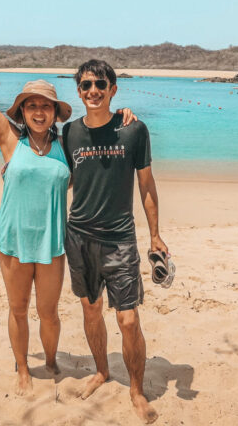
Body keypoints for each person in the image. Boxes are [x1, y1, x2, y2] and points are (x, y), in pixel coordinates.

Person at [0, 32, 135, 396]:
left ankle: (51, 360)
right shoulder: (9, 140)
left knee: (50, 314)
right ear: (22, 111)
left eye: (46, 106)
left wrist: (122, 116)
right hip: (14, 240)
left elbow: (98, 140)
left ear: (55, 113)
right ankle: (23, 367)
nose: (39, 112)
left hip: (53, 243)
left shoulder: (66, 145)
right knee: (18, 309)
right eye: (31, 106)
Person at [62, 59, 169, 424]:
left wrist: (155, 234)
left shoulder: (133, 129)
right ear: (78, 90)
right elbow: (64, 177)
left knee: (127, 320)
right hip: (78, 236)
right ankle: (102, 371)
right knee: (90, 310)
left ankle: (136, 390)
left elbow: (147, 185)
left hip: (120, 240)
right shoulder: (68, 133)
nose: (93, 91)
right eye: (86, 85)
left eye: (100, 85)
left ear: (113, 90)